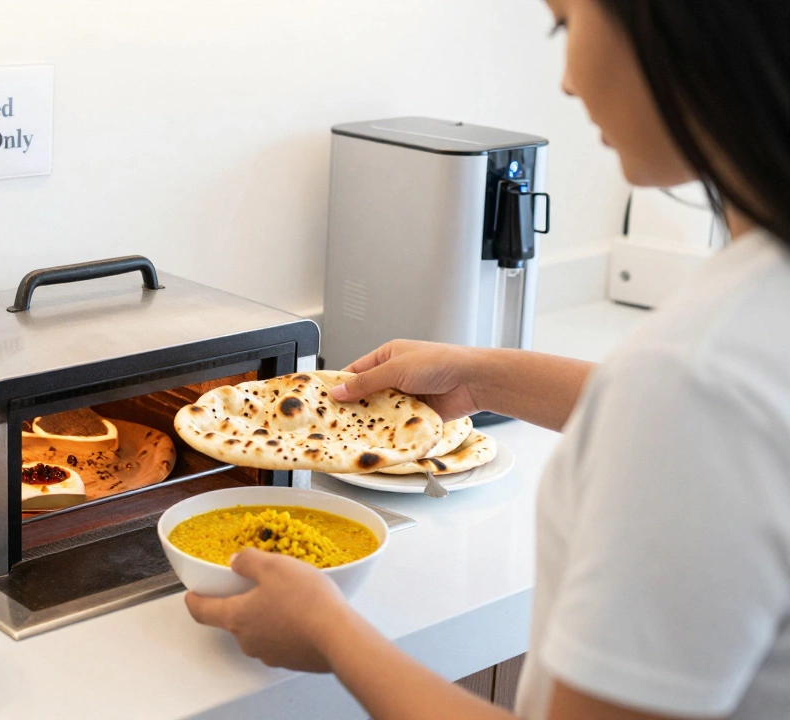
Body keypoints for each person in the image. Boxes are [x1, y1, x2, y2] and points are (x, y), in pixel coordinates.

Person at [184, 0, 790, 718]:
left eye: (563, 23)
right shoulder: (744, 319)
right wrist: (477, 374)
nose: (565, 81)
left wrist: (329, 632)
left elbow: (692, 408)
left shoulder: (695, 377)